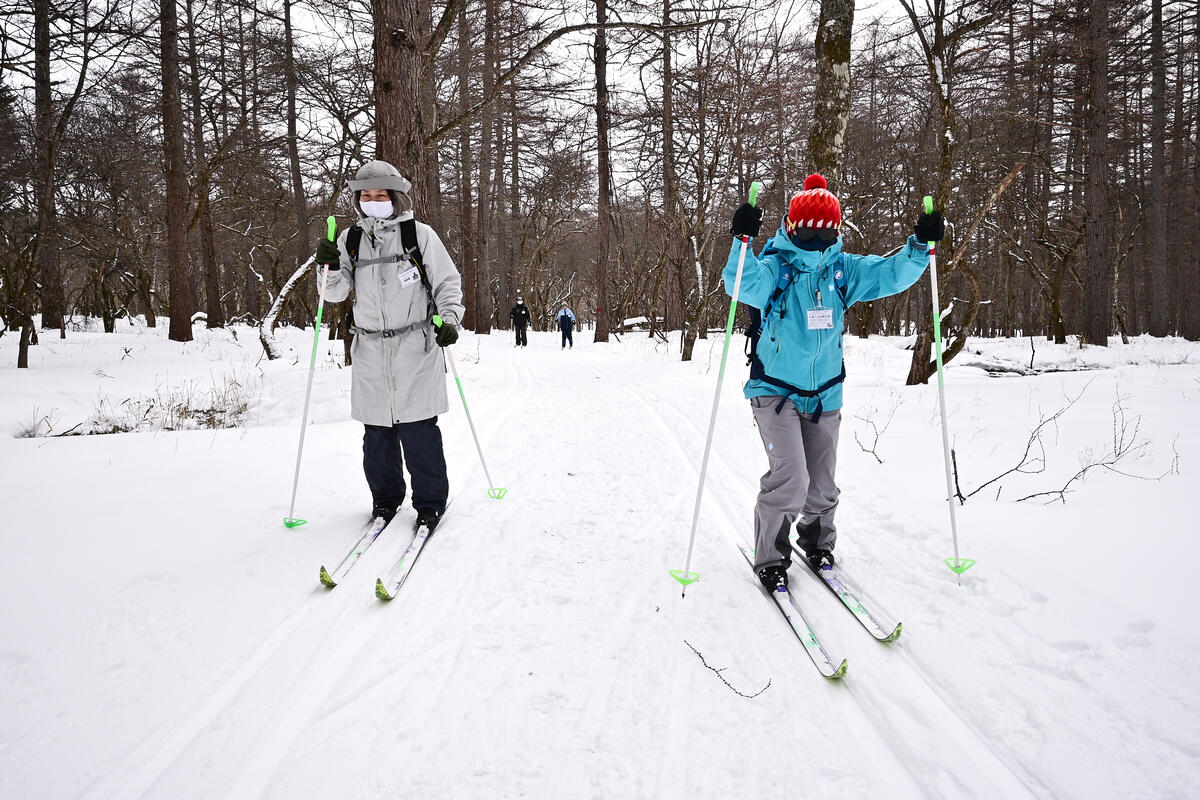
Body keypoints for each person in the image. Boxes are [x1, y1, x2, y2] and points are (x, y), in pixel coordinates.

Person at [726, 174, 943, 590]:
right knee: (792, 480)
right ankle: (770, 556)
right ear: (792, 225)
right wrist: (742, 242)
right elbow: (742, 284)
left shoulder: (843, 270)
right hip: (775, 392)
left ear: (836, 230)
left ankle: (817, 542)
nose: (814, 237)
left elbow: (891, 274)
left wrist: (919, 246)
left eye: (823, 230)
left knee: (822, 487)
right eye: (806, 229)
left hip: (826, 393)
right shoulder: (776, 265)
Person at [314, 160, 465, 532]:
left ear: (395, 197)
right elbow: (333, 294)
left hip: (416, 346)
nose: (373, 201)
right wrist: (326, 266)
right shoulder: (350, 239)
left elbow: (447, 282)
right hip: (368, 349)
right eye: (366, 195)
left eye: (381, 195)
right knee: (377, 434)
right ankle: (385, 500)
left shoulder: (419, 235)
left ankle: (429, 504)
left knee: (419, 431)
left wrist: (449, 319)